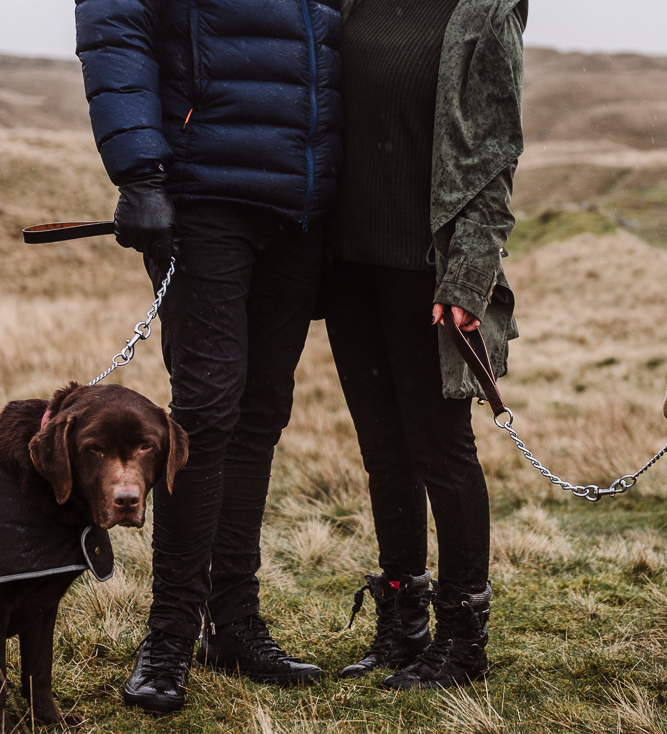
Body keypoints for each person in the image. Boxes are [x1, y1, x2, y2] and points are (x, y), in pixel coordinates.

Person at [74, 0, 343, 712]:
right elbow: (116, 21)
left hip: (303, 207)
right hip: (205, 196)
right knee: (208, 410)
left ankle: (235, 624)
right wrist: (139, 171)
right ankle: (169, 634)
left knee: (259, 414)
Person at [326, 0, 526, 689]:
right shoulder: (350, 7)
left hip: (428, 277)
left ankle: (463, 641)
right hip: (348, 270)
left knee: (441, 453)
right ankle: (403, 623)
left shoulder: (481, 14)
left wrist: (469, 276)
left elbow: (496, 154)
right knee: (384, 454)